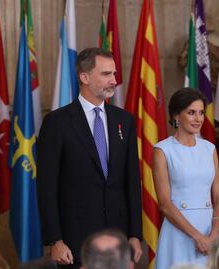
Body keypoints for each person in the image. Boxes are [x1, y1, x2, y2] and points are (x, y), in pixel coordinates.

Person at [37, 47, 142, 269]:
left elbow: (132, 181)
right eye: (106, 74)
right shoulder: (57, 123)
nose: (114, 80)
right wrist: (55, 240)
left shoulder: (125, 120)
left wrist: (135, 234)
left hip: (118, 236)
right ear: (84, 77)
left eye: (114, 73)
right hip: (75, 241)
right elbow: (46, 187)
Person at [152, 88, 219, 268]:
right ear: (177, 116)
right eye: (191, 113)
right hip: (178, 234)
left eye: (201, 113)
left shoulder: (209, 148)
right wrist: (196, 236)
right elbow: (164, 203)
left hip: (209, 233)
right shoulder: (162, 150)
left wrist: (213, 235)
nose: (198, 118)